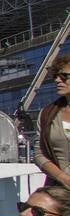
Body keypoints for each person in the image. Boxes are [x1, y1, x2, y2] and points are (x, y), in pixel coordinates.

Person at [36, 54, 70, 190]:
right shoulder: (47, 114)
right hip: (59, 189)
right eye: (55, 76)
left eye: (64, 76)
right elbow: (39, 154)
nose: (57, 80)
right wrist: (63, 178)